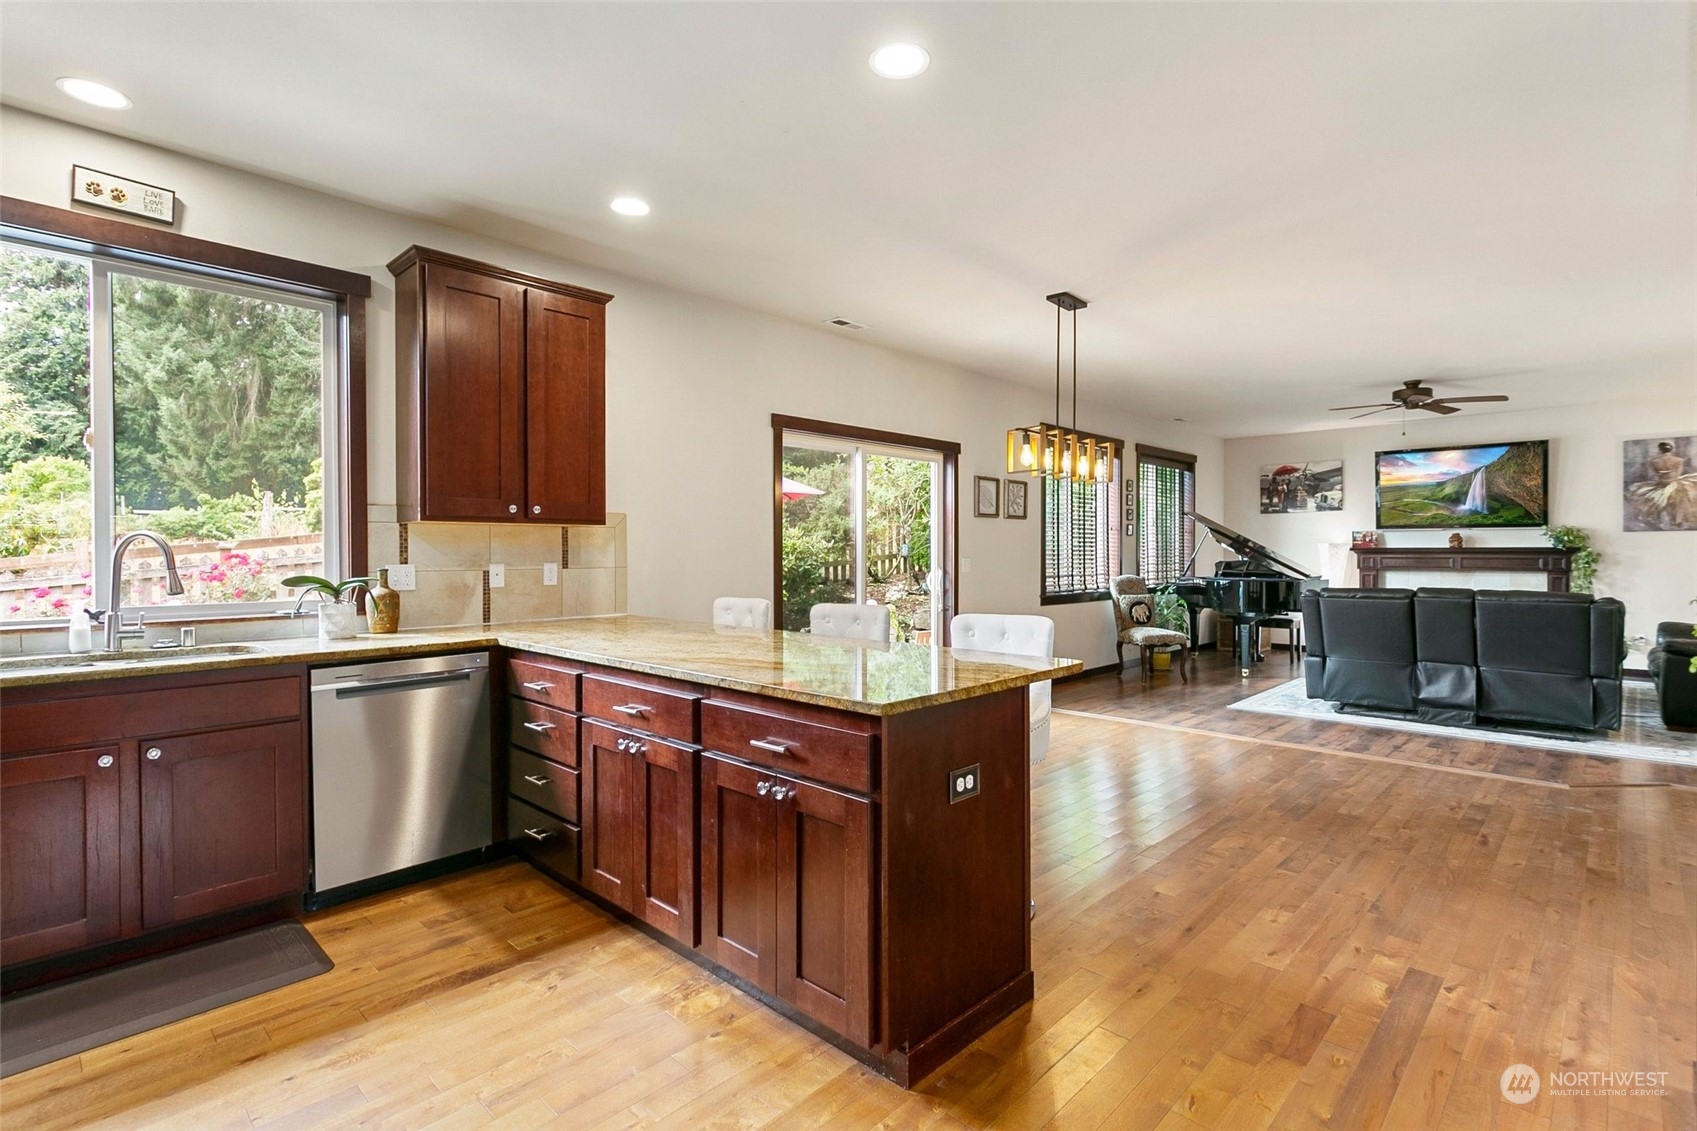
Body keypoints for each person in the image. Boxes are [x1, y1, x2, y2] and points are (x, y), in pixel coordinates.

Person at [1628, 441, 1697, 530]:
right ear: (1672, 449)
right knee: (1680, 501)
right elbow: (1678, 475)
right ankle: (1677, 521)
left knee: (1664, 503)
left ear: (1659, 450)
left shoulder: (1654, 461)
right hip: (1674, 483)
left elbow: (1656, 474)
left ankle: (1671, 522)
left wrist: (1664, 477)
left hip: (1661, 483)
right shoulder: (1679, 460)